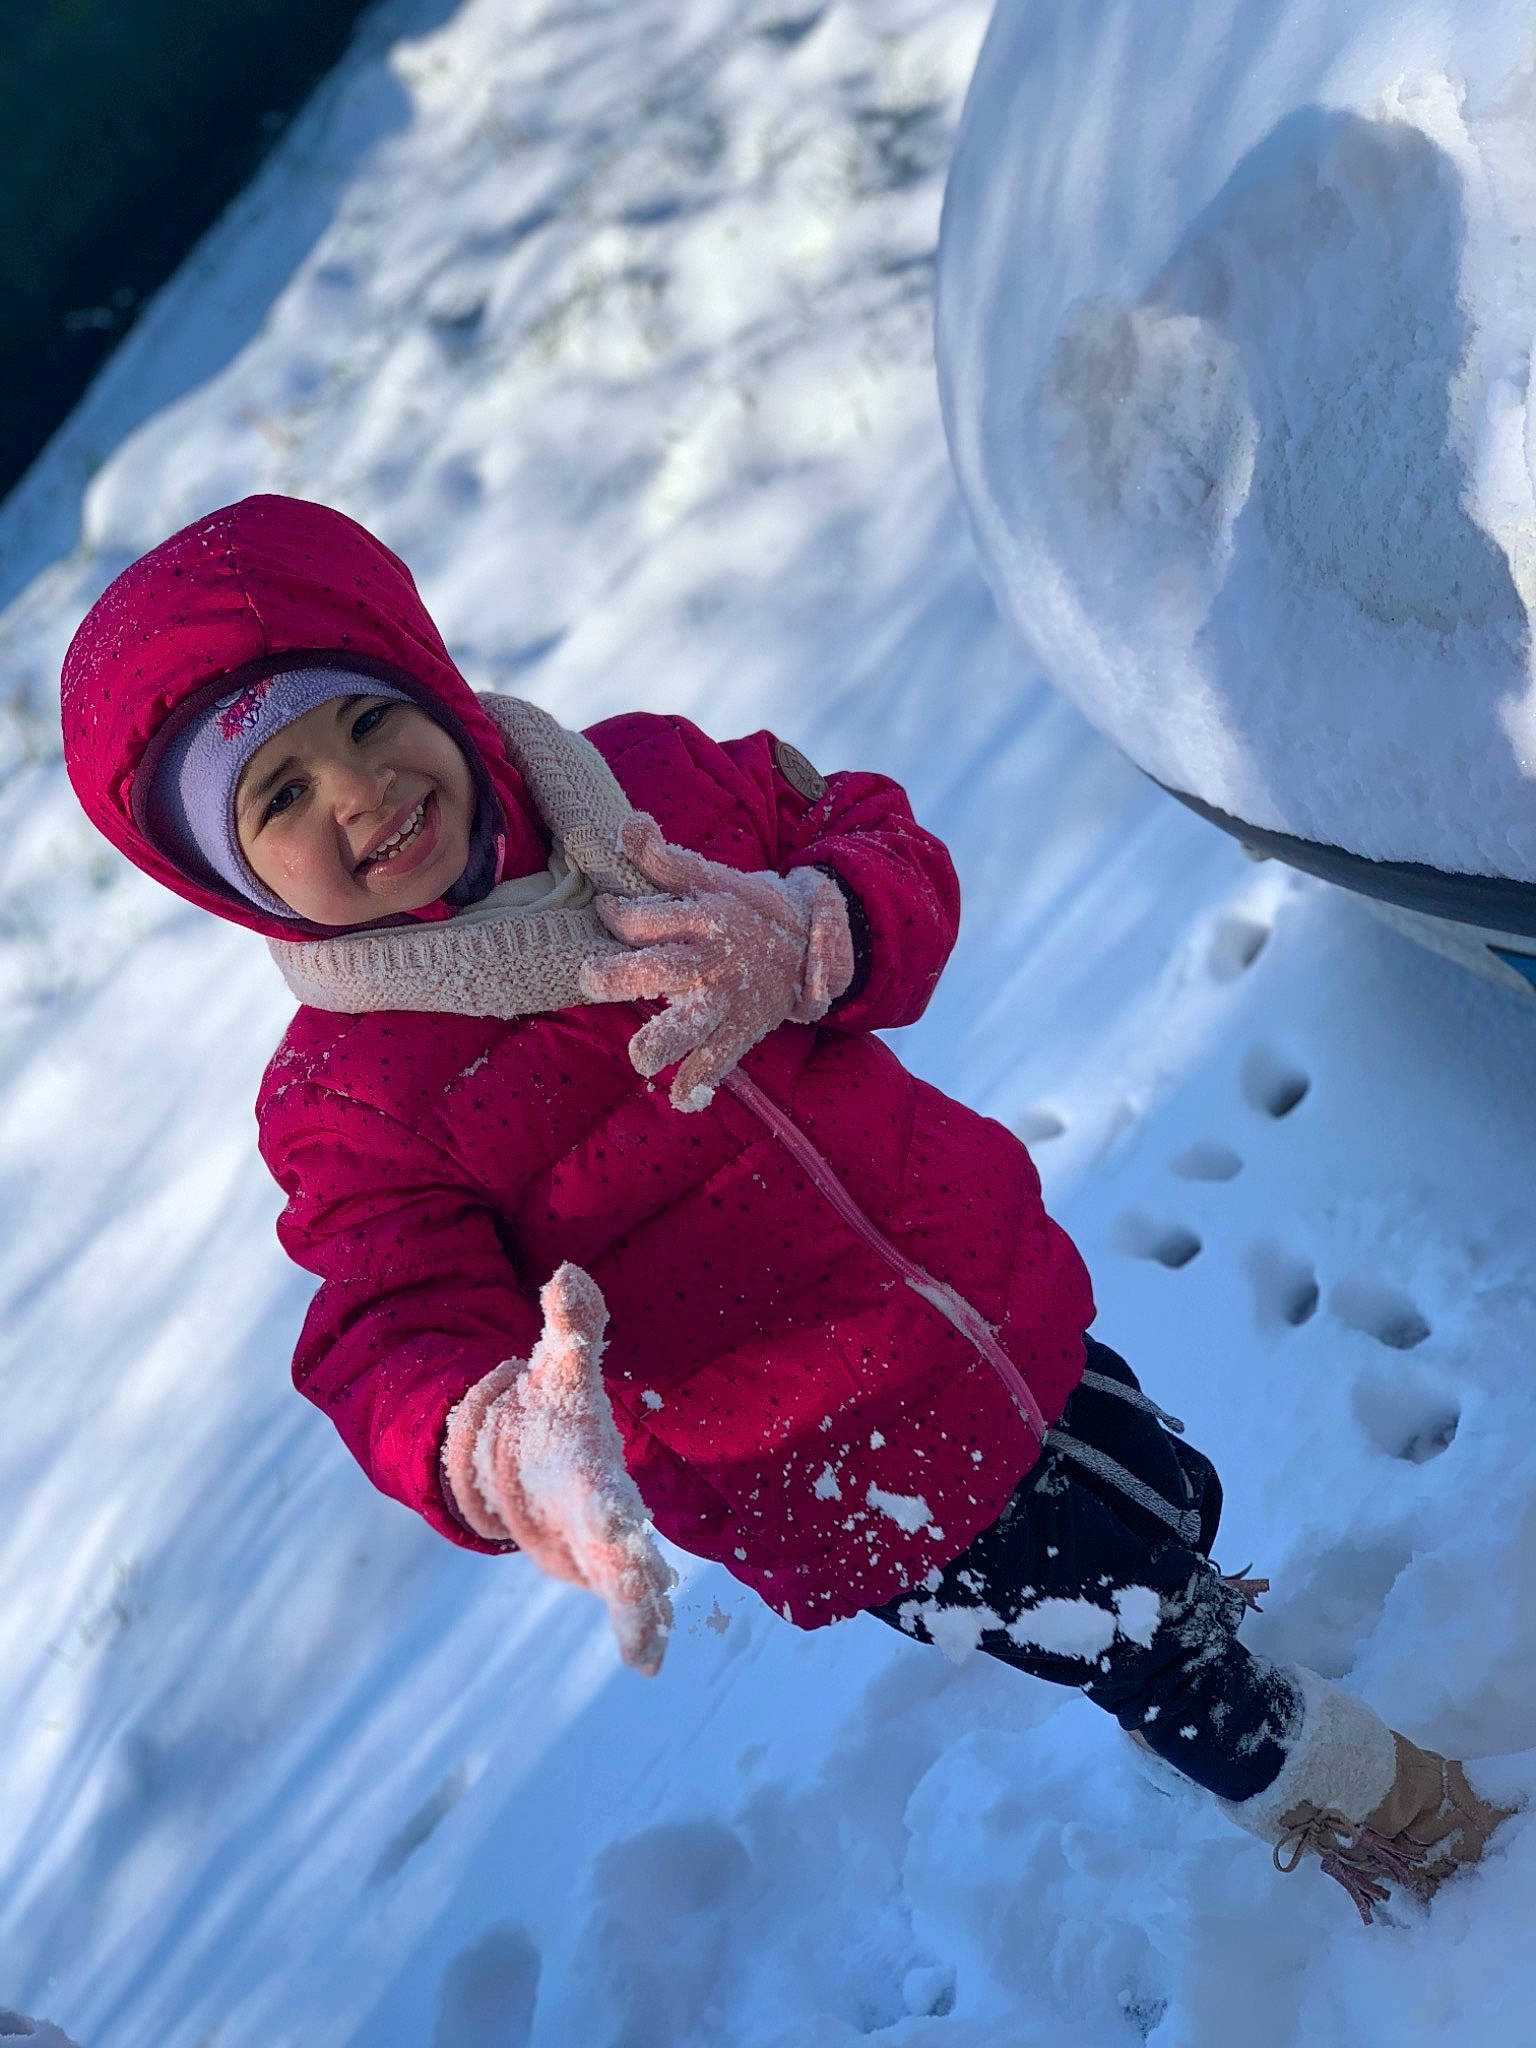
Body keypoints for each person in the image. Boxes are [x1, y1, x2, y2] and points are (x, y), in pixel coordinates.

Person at [61, 493, 1509, 1921]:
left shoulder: (647, 798)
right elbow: (386, 1321)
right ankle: (1419, 1836)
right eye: (282, 796)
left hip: (986, 1281)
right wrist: (497, 1443)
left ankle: (1185, 1594)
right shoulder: (354, 1097)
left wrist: (819, 925)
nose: (359, 795)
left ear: (428, 682)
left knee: (1156, 1493)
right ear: (227, 877)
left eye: (366, 722)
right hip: (830, 1454)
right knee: (1153, 1652)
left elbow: (875, 835)